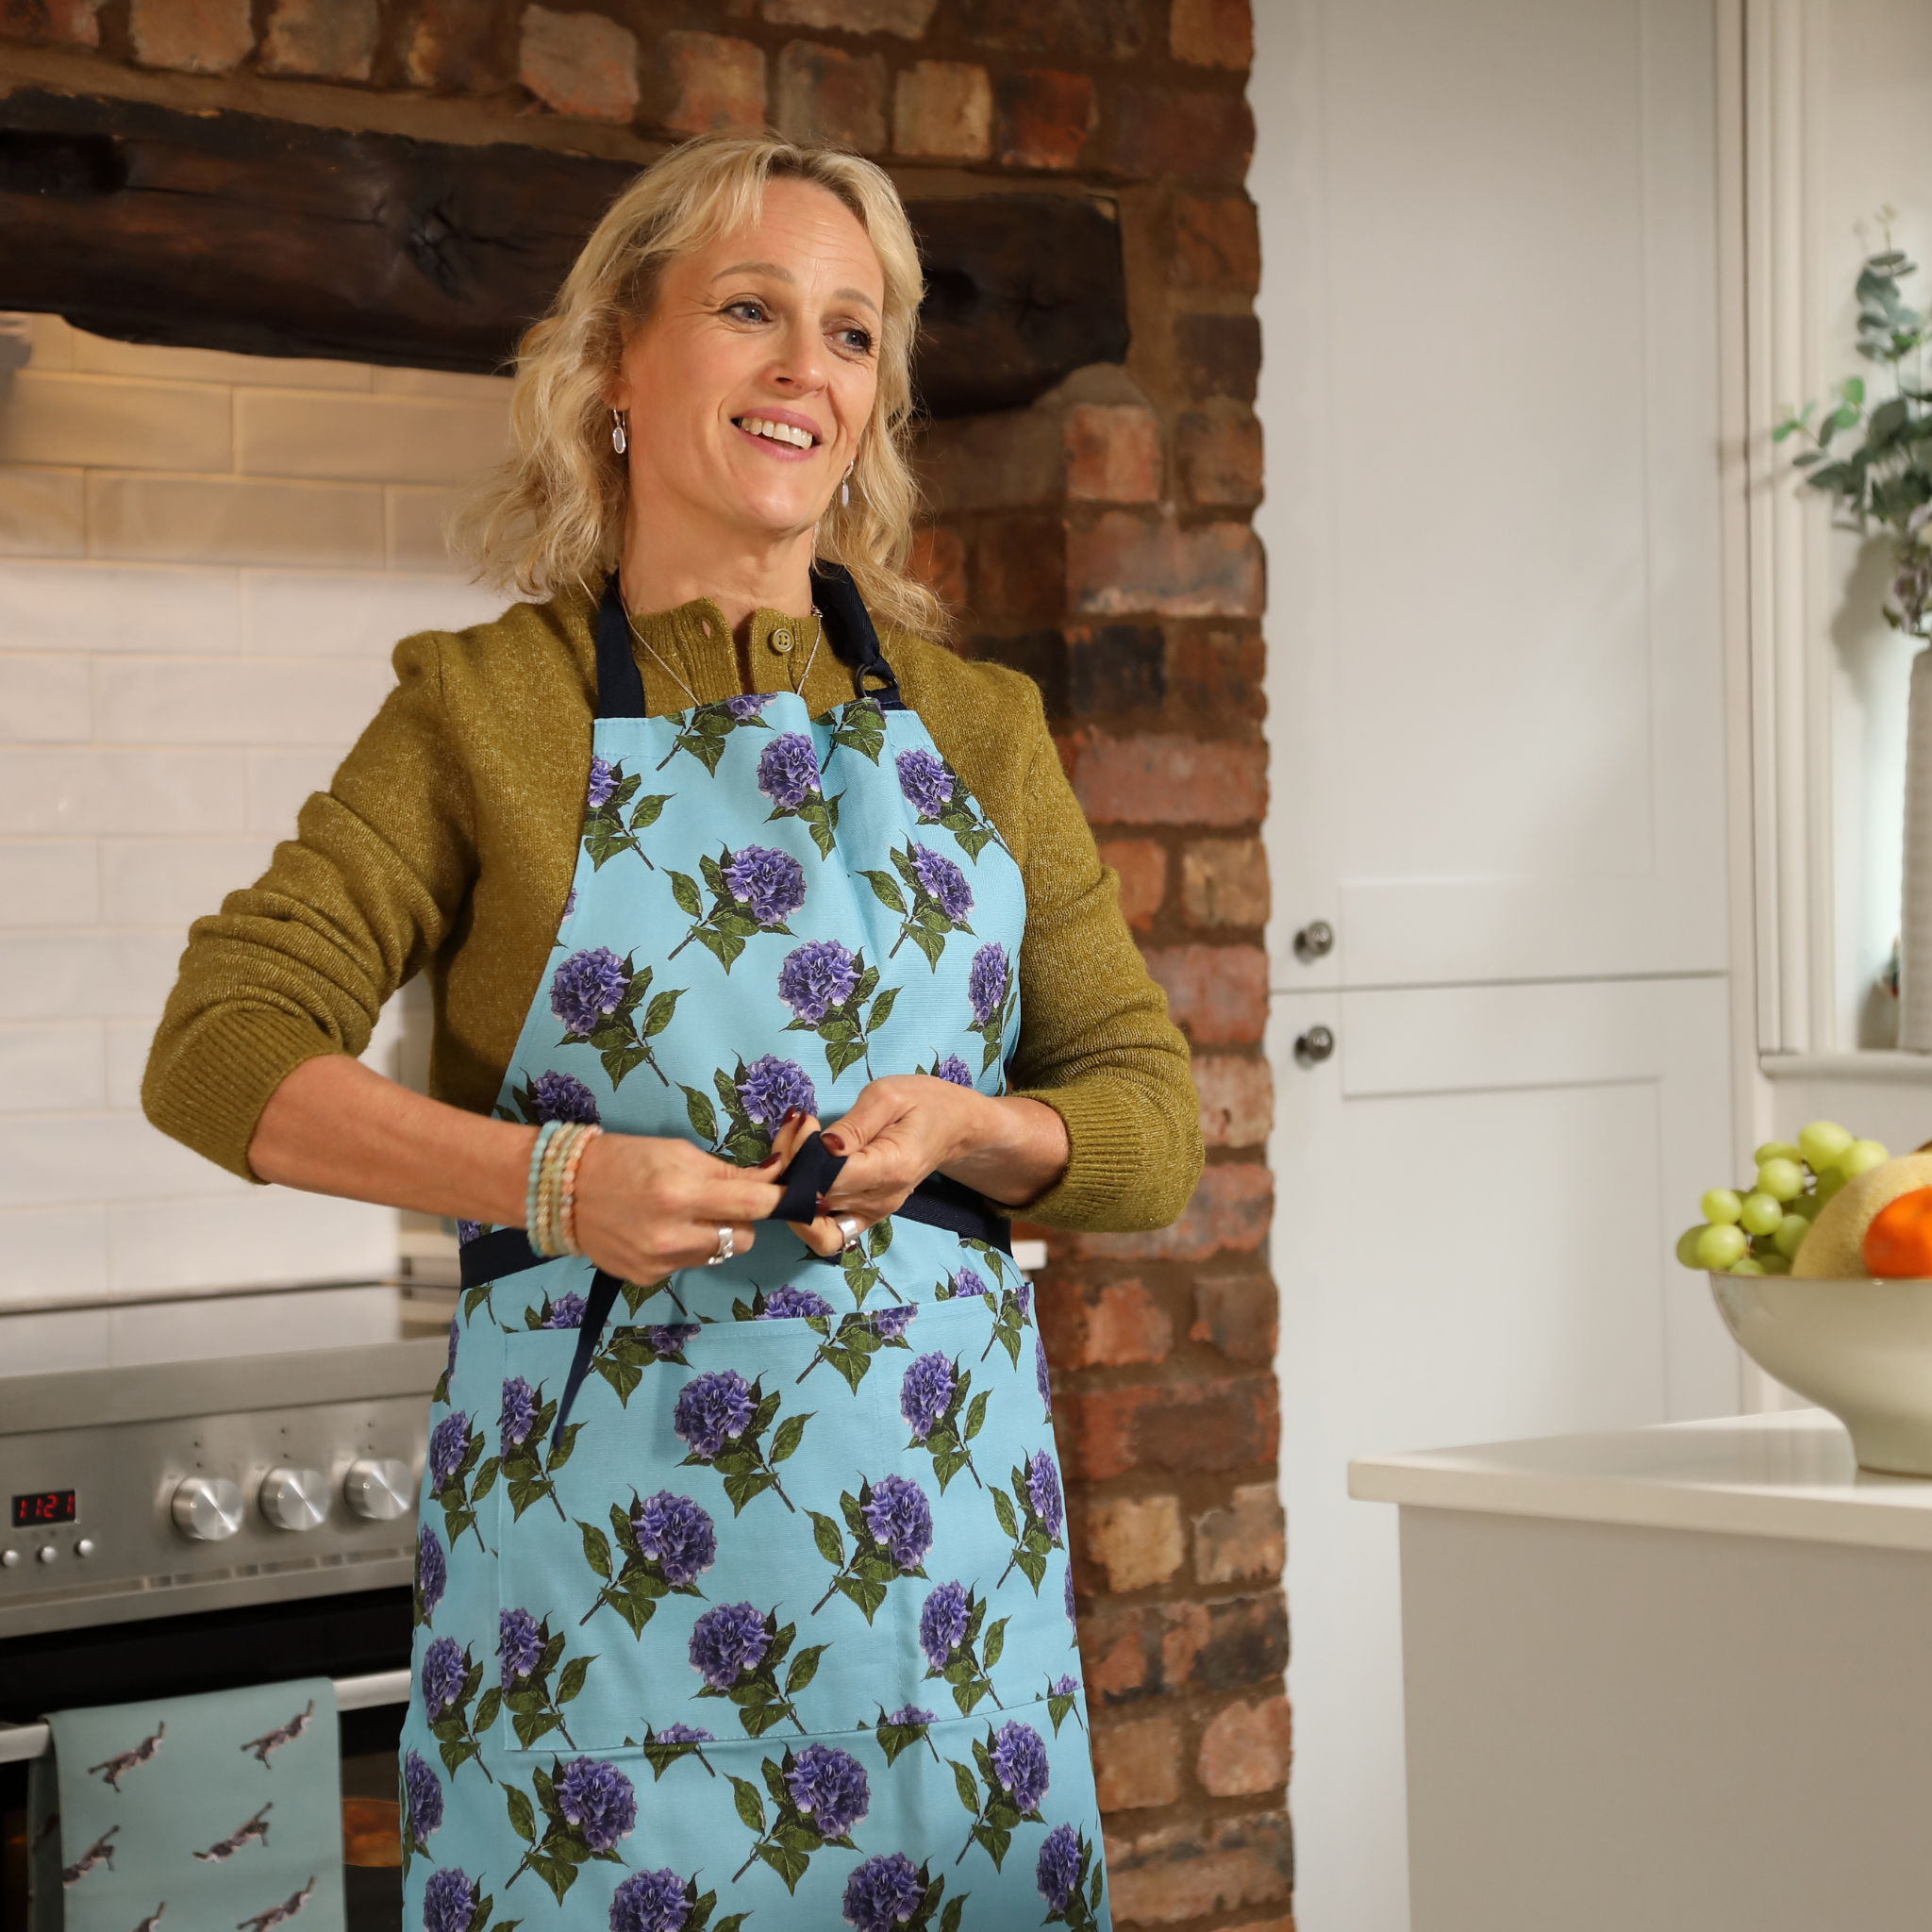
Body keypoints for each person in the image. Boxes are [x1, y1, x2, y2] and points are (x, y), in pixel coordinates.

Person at [143, 132, 1200, 1929]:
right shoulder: (487, 710)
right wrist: (554, 1181)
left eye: (853, 334)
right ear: (616, 367)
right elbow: (221, 1045)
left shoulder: (984, 730)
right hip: (597, 1632)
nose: (809, 369)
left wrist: (964, 1125)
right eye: (748, 310)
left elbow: (1150, 1121)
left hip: (941, 1612)